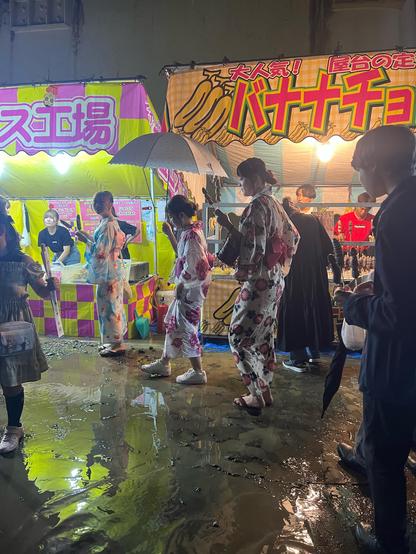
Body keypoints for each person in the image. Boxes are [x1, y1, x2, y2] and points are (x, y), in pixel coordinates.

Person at [334, 125, 416, 554]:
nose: (360, 180)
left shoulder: (396, 214)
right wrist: (378, 290)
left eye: (360, 169)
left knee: (385, 460)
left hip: (398, 365)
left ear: (378, 166)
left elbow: (399, 313)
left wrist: (355, 306)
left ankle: (390, 543)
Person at [217, 158, 299, 415]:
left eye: (241, 179)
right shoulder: (274, 204)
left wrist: (244, 270)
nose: (240, 184)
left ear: (254, 179)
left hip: (259, 281)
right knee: (261, 337)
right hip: (274, 279)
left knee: (239, 338)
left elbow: (253, 247)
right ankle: (264, 390)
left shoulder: (255, 207)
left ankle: (255, 395)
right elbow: (293, 236)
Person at [0, 206, 57, 453]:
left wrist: (52, 286)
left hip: (13, 328)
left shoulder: (23, 262)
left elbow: (43, 293)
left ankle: (14, 429)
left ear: (7, 234)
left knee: (11, 381)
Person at [142, 195, 212, 385]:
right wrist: (169, 234)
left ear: (181, 215)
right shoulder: (190, 232)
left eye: (172, 218)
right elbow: (181, 256)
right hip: (189, 290)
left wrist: (181, 285)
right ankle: (164, 362)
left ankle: (198, 371)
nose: (171, 221)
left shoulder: (192, 236)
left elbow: (197, 266)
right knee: (174, 324)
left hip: (190, 290)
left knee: (186, 328)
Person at [278, 198, 334, 372]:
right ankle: (314, 353)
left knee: (294, 311)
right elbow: (328, 247)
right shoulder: (312, 220)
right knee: (314, 309)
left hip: (293, 275)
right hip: (316, 274)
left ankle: (297, 359)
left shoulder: (283, 223)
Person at [86, 191, 127, 358]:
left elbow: (100, 251)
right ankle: (113, 342)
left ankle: (117, 344)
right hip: (112, 270)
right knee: (110, 307)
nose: (97, 206)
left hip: (108, 272)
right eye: (95, 203)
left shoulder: (108, 225)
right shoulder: (109, 222)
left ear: (110, 204)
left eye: (100, 203)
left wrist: (86, 242)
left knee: (110, 308)